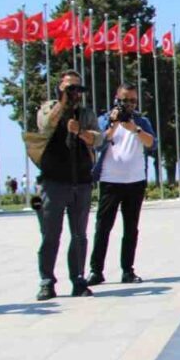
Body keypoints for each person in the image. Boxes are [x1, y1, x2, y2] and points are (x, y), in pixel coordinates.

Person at [35, 70, 103, 300]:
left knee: (79, 235)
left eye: (77, 89)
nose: (74, 93)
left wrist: (80, 132)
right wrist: (62, 104)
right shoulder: (49, 107)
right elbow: (44, 127)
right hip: (53, 181)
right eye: (69, 88)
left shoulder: (85, 114)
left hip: (80, 180)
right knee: (50, 234)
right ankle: (47, 281)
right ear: (59, 89)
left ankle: (78, 279)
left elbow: (99, 138)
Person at [88, 83, 157, 286]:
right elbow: (98, 144)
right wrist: (114, 125)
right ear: (116, 99)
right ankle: (96, 271)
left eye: (132, 100)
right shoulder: (105, 120)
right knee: (103, 227)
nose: (128, 104)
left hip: (135, 181)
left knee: (131, 228)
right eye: (124, 100)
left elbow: (152, 144)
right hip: (110, 181)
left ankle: (128, 270)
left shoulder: (141, 121)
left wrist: (134, 129)